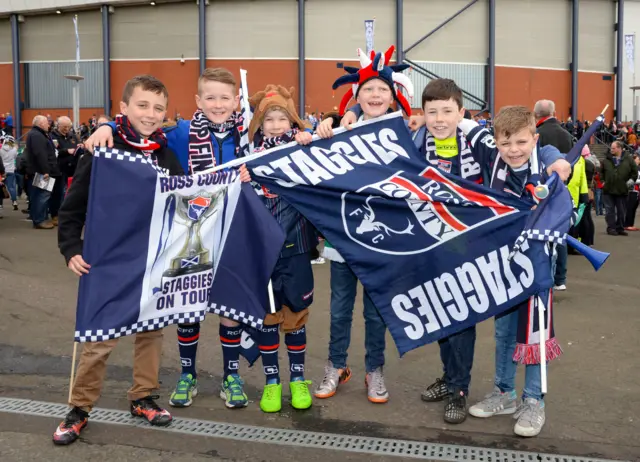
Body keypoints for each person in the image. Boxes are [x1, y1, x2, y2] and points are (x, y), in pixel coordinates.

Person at [84, 68, 261, 410]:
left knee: (230, 307)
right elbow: (134, 132)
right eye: (210, 97)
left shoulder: (250, 133)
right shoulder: (179, 133)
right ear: (197, 100)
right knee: (187, 305)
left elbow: (288, 133)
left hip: (234, 230)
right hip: (189, 233)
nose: (218, 104)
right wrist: (105, 125)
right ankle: (187, 374)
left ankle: (231, 375)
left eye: (226, 97)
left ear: (237, 100)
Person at [52, 75, 181, 446]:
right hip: (107, 261)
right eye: (142, 105)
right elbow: (73, 206)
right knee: (99, 339)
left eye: (158, 108)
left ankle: (143, 396)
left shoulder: (166, 155)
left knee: (151, 334)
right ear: (123, 108)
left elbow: (182, 203)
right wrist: (70, 248)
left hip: (153, 262)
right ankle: (79, 408)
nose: (151, 114)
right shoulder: (102, 149)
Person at [458, 105, 570, 438]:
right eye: (506, 144)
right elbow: (456, 120)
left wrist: (559, 160)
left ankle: (534, 400)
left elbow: (554, 153)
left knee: (535, 330)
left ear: (533, 138)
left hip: (537, 259)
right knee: (505, 329)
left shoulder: (543, 156)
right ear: (496, 142)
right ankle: (504, 393)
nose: (514, 150)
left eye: (522, 142)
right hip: (503, 259)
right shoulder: (493, 158)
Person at [314, 45, 414, 406]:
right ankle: (336, 366)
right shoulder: (338, 129)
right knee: (339, 310)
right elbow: (307, 153)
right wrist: (327, 122)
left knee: (376, 313)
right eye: (367, 90)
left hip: (382, 243)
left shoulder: (404, 132)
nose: (374, 95)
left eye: (382, 90)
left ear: (393, 96)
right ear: (356, 95)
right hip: (343, 239)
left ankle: (375, 371)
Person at [246, 85, 316, 413]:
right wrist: (241, 179)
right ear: (259, 123)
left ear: (292, 122)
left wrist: (311, 139)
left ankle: (298, 379)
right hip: (263, 253)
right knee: (267, 319)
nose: (275, 124)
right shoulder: (249, 158)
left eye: (282, 118)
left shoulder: (305, 150)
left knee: (296, 318)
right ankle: (272, 381)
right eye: (269, 118)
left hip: (297, 248)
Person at [533, 100, 573, 291]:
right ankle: (560, 278)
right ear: (554, 112)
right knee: (560, 234)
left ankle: (543, 279)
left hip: (539, 191)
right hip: (563, 190)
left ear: (535, 115)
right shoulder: (566, 134)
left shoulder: (536, 135)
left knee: (540, 236)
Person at [24, 115, 59, 229]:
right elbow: (40, 154)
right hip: (41, 172)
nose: (49, 125)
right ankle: (39, 220)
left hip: (41, 170)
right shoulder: (37, 135)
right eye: (46, 123)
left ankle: (41, 218)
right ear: (40, 124)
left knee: (42, 195)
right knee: (42, 195)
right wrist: (46, 171)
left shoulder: (37, 134)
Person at [601, 140, 638, 236]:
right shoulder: (606, 160)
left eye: (613, 148)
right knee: (610, 211)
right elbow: (601, 172)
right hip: (608, 190)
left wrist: (630, 182)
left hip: (622, 189)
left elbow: (634, 171)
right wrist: (603, 181)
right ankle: (611, 228)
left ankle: (620, 228)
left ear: (620, 148)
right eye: (611, 148)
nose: (611, 150)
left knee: (622, 211)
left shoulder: (628, 159)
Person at [50, 116, 81, 224]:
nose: (66, 129)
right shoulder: (52, 137)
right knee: (58, 193)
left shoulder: (73, 136)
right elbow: (53, 151)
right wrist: (67, 151)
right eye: (64, 126)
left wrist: (80, 147)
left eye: (68, 126)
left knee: (72, 193)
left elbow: (77, 146)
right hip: (59, 169)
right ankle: (55, 215)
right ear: (58, 126)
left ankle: (69, 214)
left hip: (73, 169)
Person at [577, 145, 598, 245]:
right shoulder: (591, 163)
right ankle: (589, 239)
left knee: (584, 216)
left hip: (586, 191)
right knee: (587, 216)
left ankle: (585, 239)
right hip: (590, 190)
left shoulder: (585, 164)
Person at [0, 135, 19, 211]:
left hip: (2, 171)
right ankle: (14, 201)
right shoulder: (14, 149)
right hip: (11, 170)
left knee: (0, 188)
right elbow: (15, 158)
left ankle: (0, 205)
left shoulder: (0, 150)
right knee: (12, 187)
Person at [623, 154, 640, 231]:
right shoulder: (631, 169)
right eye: (637, 159)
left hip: (637, 191)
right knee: (630, 207)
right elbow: (632, 179)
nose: (639, 160)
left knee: (634, 208)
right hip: (631, 190)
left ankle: (631, 224)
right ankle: (627, 224)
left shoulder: (637, 168)